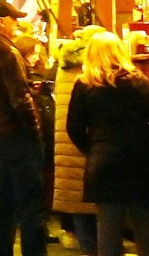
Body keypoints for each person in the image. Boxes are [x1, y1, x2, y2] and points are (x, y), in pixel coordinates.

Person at [65, 32, 149, 256]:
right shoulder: (139, 81)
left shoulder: (84, 85)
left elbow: (74, 128)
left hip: (104, 165)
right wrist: (143, 143)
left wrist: (94, 149)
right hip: (140, 163)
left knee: (109, 232)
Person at [0, 1, 47, 255]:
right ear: (1, 21)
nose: (17, 24)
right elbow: (20, 99)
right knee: (30, 205)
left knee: (3, 205)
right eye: (14, 19)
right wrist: (35, 130)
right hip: (15, 135)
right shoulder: (8, 52)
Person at [50, 35, 98, 251]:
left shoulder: (63, 67)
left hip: (67, 141)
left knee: (75, 198)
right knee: (94, 202)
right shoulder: (92, 70)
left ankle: (86, 248)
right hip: (88, 140)